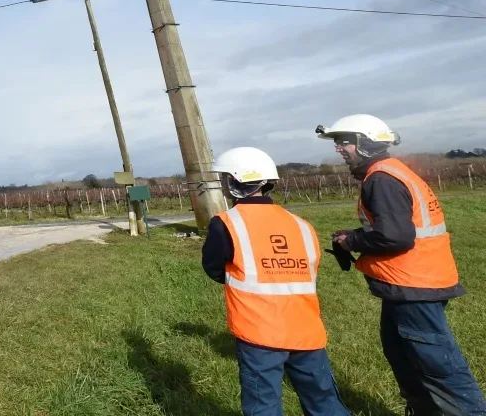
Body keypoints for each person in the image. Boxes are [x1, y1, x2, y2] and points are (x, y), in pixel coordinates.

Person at [318, 115, 486, 415]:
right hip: (412, 283)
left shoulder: (381, 179)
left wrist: (352, 241)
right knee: (404, 356)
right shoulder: (391, 173)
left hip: (413, 285)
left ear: (365, 142)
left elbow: (395, 236)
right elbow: (397, 227)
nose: (338, 148)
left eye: (343, 141)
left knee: (437, 366)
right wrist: (354, 236)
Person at [201, 147, 351, 416]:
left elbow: (213, 267)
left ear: (233, 182)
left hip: (258, 333)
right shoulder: (301, 224)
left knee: (263, 405)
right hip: (306, 329)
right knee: (323, 401)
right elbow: (309, 270)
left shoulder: (226, 223)